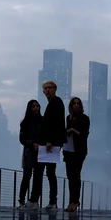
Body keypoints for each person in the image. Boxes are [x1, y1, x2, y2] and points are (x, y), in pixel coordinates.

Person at [27, 81, 65, 210]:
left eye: (50, 88)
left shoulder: (56, 102)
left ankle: (36, 201)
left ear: (55, 89)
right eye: (45, 88)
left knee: (43, 171)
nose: (47, 90)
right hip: (51, 143)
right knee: (48, 172)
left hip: (50, 144)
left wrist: (50, 140)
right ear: (43, 91)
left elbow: (56, 124)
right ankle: (49, 201)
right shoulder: (53, 103)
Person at [63, 97, 90, 212]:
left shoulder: (85, 118)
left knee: (76, 175)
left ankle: (75, 201)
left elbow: (84, 134)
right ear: (71, 106)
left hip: (79, 150)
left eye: (78, 103)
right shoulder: (68, 118)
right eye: (74, 103)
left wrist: (73, 130)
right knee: (70, 176)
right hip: (68, 149)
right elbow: (65, 132)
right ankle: (71, 201)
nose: (76, 105)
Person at [18, 100, 42, 209]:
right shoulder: (25, 123)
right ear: (30, 108)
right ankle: (21, 201)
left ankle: (34, 200)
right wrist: (32, 144)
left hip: (40, 152)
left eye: (37, 106)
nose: (36, 108)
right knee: (26, 177)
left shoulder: (43, 121)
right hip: (29, 152)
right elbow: (22, 139)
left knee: (38, 177)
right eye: (33, 106)